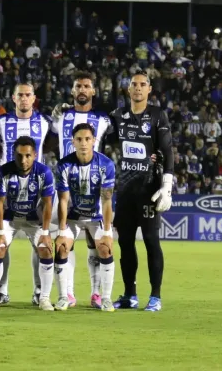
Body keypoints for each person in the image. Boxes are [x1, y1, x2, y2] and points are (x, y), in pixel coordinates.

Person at [109, 71, 174, 312]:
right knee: (125, 243)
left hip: (148, 189)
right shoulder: (118, 115)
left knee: (150, 241)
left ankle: (155, 296)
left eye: (142, 84)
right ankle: (130, 294)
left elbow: (167, 151)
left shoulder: (157, 115)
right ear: (128, 90)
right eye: (134, 84)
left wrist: (167, 186)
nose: (138, 88)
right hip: (125, 191)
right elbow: (96, 133)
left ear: (149, 90)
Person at [49, 71, 112, 309]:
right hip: (66, 183)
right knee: (63, 240)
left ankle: (97, 293)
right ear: (73, 91)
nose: (83, 90)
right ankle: (68, 293)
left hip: (93, 186)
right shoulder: (60, 117)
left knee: (94, 242)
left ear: (93, 91)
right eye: (78, 86)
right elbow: (47, 141)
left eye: (87, 86)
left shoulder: (104, 120)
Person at [0, 82, 53, 305]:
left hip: (34, 194)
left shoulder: (45, 122)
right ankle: (1, 291)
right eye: (20, 95)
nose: (24, 99)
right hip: (7, 191)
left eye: (28, 95)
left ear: (34, 97)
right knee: (1, 244)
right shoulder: (0, 122)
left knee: (42, 247)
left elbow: (53, 144)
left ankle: (39, 293)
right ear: (13, 98)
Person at [54, 123, 116, 312]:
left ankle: (105, 298)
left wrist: (107, 231)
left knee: (105, 249)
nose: (83, 143)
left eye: (87, 139)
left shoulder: (105, 164)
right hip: (74, 216)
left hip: (96, 217)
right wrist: (62, 230)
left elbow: (107, 201)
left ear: (94, 141)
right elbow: (63, 201)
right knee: (62, 247)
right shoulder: (64, 165)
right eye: (79, 139)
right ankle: (64, 296)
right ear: (72, 142)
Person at [0, 136, 55, 311]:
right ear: (13, 154)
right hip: (10, 218)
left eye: (27, 156)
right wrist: (1, 231)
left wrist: (46, 233)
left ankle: (44, 297)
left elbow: (48, 204)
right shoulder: (3, 172)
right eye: (19, 156)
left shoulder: (44, 173)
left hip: (34, 219)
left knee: (46, 249)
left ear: (34, 154)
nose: (23, 160)